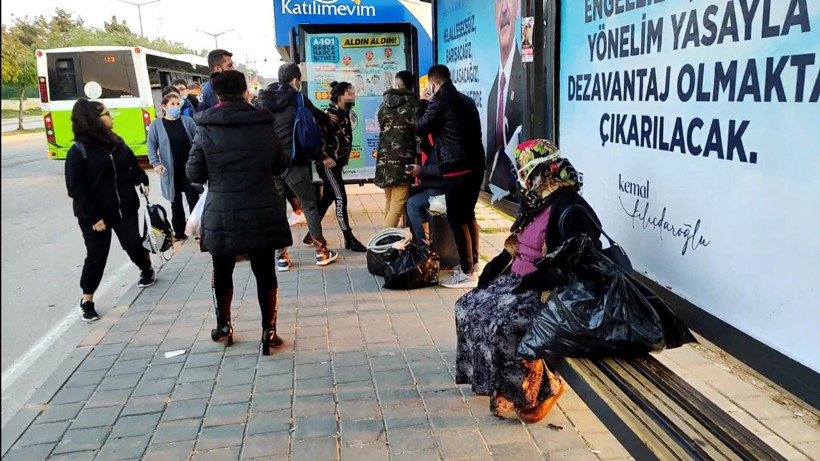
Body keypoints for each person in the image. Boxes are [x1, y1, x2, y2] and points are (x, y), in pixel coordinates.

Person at [455, 140, 600, 423]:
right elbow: (518, 242)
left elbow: (578, 263)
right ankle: (493, 379)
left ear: (542, 169)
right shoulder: (538, 198)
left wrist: (538, 280)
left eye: (523, 168)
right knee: (468, 307)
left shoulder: (571, 207)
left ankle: (543, 388)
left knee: (504, 325)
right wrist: (494, 268)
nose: (520, 174)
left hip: (548, 291)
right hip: (519, 280)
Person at [186, 70, 291, 355]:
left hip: (222, 210)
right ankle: (269, 331)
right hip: (262, 207)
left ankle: (224, 326)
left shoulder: (206, 127)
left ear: (217, 95)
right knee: (265, 271)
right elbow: (281, 164)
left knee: (222, 269)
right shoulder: (262, 122)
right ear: (245, 91)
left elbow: (193, 171)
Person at [65, 99, 156, 322]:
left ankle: (146, 268)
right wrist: (93, 216)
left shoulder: (117, 143)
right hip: (94, 215)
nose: (111, 117)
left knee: (133, 243)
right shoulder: (79, 151)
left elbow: (133, 166)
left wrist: (141, 179)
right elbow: (76, 189)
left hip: (124, 206)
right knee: (97, 256)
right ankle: (87, 299)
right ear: (94, 120)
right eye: (107, 114)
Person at [257, 62, 339, 271]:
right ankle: (321, 252)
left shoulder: (262, 99)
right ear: (295, 80)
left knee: (278, 210)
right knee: (309, 206)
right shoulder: (298, 97)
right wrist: (328, 117)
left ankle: (281, 257)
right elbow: (315, 116)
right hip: (295, 162)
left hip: (270, 163)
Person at [414, 65, 485, 288]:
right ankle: (474, 263)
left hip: (455, 169)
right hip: (475, 166)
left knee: (456, 218)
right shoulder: (467, 100)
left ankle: (466, 272)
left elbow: (419, 128)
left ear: (432, 84)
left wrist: (422, 103)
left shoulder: (437, 102)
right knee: (468, 215)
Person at [315, 81, 367, 252]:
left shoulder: (345, 114)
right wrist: (324, 157)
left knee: (328, 199)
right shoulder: (329, 115)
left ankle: (311, 233)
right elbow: (317, 139)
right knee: (340, 198)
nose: (354, 97)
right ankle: (348, 238)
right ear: (340, 96)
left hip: (337, 163)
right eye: (350, 94)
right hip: (329, 165)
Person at [485, 0, 526, 202]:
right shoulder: (494, 91)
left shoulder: (528, 76)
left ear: (518, 7)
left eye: (509, 1)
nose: (503, 9)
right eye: (498, 1)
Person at [147, 92, 199, 240]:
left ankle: (198, 232)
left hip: (188, 168)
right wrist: (156, 163)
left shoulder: (187, 121)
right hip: (170, 170)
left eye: (178, 104)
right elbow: (151, 145)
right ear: (164, 106)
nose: (176, 107)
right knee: (175, 202)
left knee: (193, 199)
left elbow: (197, 140)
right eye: (172, 104)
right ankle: (180, 232)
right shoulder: (156, 125)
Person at [375, 70, 419, 229]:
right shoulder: (415, 105)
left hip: (384, 161)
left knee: (390, 201)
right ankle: (383, 244)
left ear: (396, 84)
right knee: (397, 205)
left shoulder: (384, 104)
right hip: (402, 161)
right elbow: (419, 133)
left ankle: (386, 240)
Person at [405, 135, 444, 244]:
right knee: (409, 195)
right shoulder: (440, 140)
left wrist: (421, 171)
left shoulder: (447, 141)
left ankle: (422, 245)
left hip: (440, 188)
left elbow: (444, 169)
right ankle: (419, 238)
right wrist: (424, 146)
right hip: (433, 185)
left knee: (412, 204)